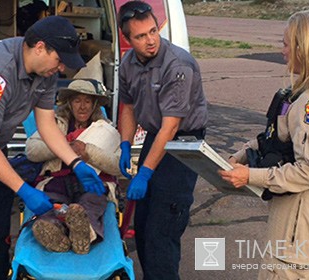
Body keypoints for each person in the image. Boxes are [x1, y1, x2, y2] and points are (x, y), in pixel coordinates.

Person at [0, 16, 105, 279]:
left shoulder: (43, 73)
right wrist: (24, 190)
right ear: (40, 47)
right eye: (59, 60)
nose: (60, 69)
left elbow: (46, 125)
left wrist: (76, 163)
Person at [219, 10, 309, 279]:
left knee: (283, 274)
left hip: (306, 203)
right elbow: (277, 136)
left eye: (287, 43)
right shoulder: (299, 93)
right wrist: (243, 154)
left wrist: (250, 176)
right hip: (300, 202)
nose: (282, 51)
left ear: (305, 49)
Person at [117, 1, 208, 279]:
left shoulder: (177, 65)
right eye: (141, 36)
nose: (151, 40)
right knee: (142, 225)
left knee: (163, 228)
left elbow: (171, 128)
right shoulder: (129, 63)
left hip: (182, 144)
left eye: (153, 31)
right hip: (155, 138)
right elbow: (129, 106)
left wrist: (144, 173)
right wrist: (124, 144)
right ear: (127, 39)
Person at [25, 78, 122, 254]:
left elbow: (118, 166)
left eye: (87, 101)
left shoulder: (106, 129)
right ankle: (56, 232)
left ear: (94, 105)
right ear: (69, 103)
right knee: (52, 204)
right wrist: (62, 145)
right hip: (58, 179)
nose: (82, 106)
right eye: (77, 101)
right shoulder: (54, 124)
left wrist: (88, 152)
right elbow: (31, 151)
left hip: (92, 182)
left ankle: (86, 232)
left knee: (89, 205)